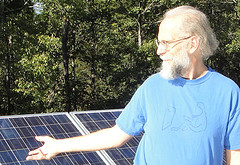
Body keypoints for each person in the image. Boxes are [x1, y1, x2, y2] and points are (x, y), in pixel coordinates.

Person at [26, 5, 240, 165]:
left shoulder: (227, 92)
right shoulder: (152, 86)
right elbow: (116, 135)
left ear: (193, 43)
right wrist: (58, 145)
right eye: (159, 42)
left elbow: (235, 157)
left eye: (167, 43)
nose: (159, 50)